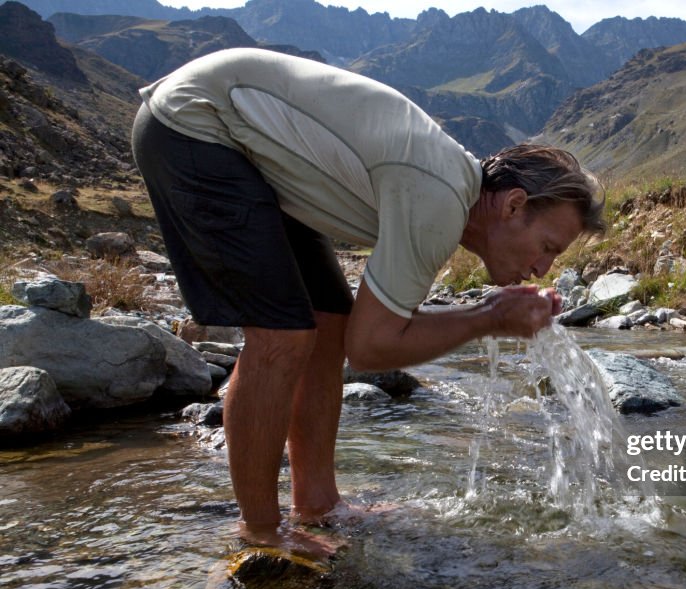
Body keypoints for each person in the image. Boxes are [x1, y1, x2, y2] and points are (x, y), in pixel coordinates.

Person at [131, 48, 605, 555]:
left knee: (327, 322)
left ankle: (316, 503)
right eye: (548, 248)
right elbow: (373, 349)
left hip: (251, 153)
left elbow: (355, 336)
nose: (543, 269)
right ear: (514, 205)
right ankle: (260, 533)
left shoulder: (445, 191)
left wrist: (485, 317)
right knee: (282, 336)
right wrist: (489, 317)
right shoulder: (439, 199)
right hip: (196, 126)